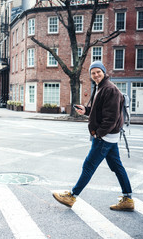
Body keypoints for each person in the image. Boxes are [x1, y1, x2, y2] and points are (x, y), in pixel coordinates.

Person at [52, 61, 134, 211]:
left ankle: (72, 196)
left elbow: (111, 117)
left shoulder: (110, 89)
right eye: (93, 73)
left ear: (104, 72)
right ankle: (128, 199)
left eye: (98, 72)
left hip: (105, 138)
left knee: (89, 166)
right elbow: (101, 111)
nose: (96, 75)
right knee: (117, 167)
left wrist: (98, 134)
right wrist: (87, 110)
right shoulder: (101, 87)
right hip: (110, 138)